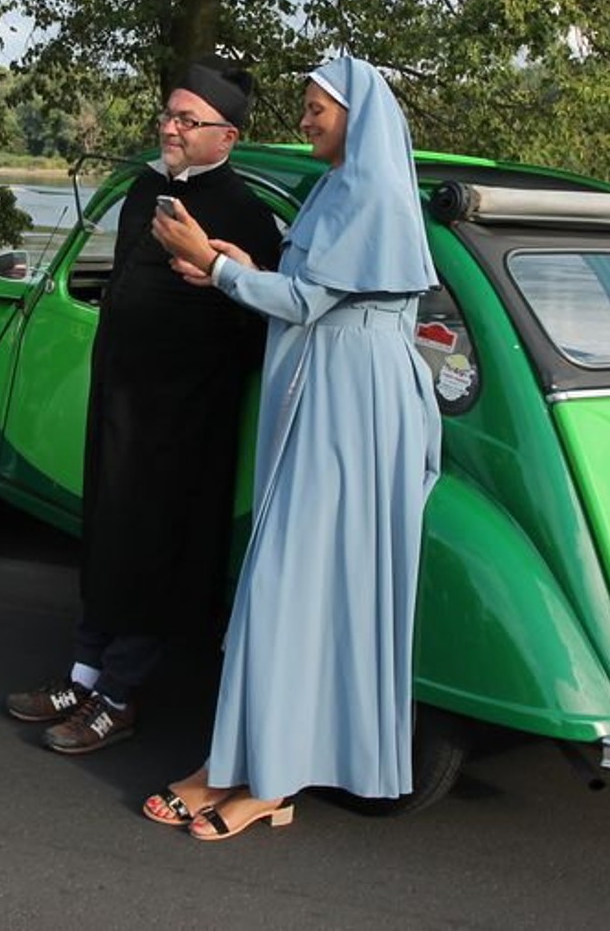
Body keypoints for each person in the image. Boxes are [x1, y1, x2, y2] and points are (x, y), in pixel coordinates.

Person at [146, 54, 441, 839]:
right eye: (306, 105)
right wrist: (241, 269)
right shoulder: (342, 186)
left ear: (358, 115)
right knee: (298, 589)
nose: (306, 117)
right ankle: (240, 762)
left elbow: (311, 301)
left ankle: (266, 778)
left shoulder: (369, 189)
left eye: (318, 106)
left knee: (287, 584)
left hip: (351, 404)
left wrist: (214, 261)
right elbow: (314, 287)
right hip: (337, 393)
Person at [6, 59, 282, 755]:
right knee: (107, 538)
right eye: (168, 113)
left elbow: (261, 324)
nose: (170, 127)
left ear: (227, 136)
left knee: (155, 553)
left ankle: (120, 695)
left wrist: (220, 288)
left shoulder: (246, 216)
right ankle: (83, 673)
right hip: (121, 403)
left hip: (183, 419)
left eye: (188, 120)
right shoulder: (140, 193)